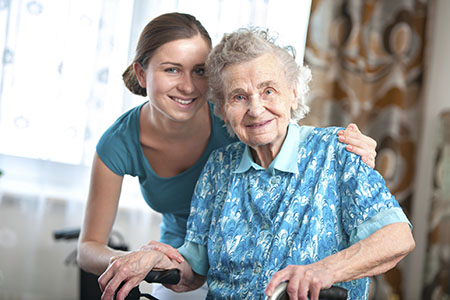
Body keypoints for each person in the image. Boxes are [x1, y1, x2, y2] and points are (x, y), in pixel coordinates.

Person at [78, 13, 378, 300]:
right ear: (142, 73)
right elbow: (88, 247)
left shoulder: (237, 114)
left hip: (253, 260)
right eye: (172, 69)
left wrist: (345, 153)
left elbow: (283, 130)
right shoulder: (120, 142)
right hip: (179, 261)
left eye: (200, 71)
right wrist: (134, 261)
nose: (188, 86)